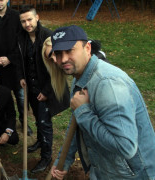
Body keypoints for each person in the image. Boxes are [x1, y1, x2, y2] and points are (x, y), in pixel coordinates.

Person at [49, 25, 155, 180]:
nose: (63, 59)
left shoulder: (108, 84)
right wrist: (63, 160)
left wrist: (83, 111)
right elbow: (76, 123)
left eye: (70, 50)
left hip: (132, 174)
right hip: (106, 168)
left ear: (87, 48)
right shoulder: (80, 76)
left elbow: (125, 147)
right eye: (58, 53)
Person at [16, 6, 70, 173]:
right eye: (23, 21)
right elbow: (19, 59)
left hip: (46, 88)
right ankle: (40, 141)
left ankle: (46, 157)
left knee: (44, 122)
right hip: (31, 87)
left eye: (29, 19)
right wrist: (21, 77)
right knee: (38, 117)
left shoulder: (48, 37)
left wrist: (46, 91)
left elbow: (56, 69)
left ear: (37, 17)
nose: (27, 24)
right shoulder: (21, 38)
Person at [0, 0, 33, 136]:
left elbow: (22, 40)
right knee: (0, 96)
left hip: (14, 66)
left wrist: (10, 58)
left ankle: (24, 121)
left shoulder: (16, 16)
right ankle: (2, 121)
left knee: (20, 97)